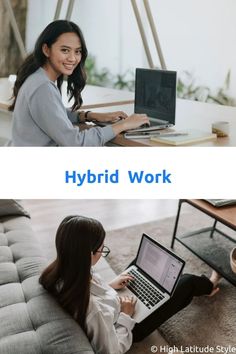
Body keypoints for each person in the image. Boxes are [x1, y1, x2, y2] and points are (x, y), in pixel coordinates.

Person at [39, 215, 222, 354]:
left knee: (137, 268)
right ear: (87, 254)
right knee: (186, 282)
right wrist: (126, 315)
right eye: (102, 250)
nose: (103, 252)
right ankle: (209, 285)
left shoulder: (63, 271)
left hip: (115, 305)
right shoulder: (94, 311)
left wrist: (110, 286)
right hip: (128, 326)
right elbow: (113, 349)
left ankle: (156, 282)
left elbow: (91, 293)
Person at [8, 20, 149, 146]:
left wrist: (89, 115)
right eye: (65, 50)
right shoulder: (42, 88)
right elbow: (75, 143)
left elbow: (54, 115)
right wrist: (123, 125)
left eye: (77, 52)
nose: (73, 58)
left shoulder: (36, 77)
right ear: (46, 49)